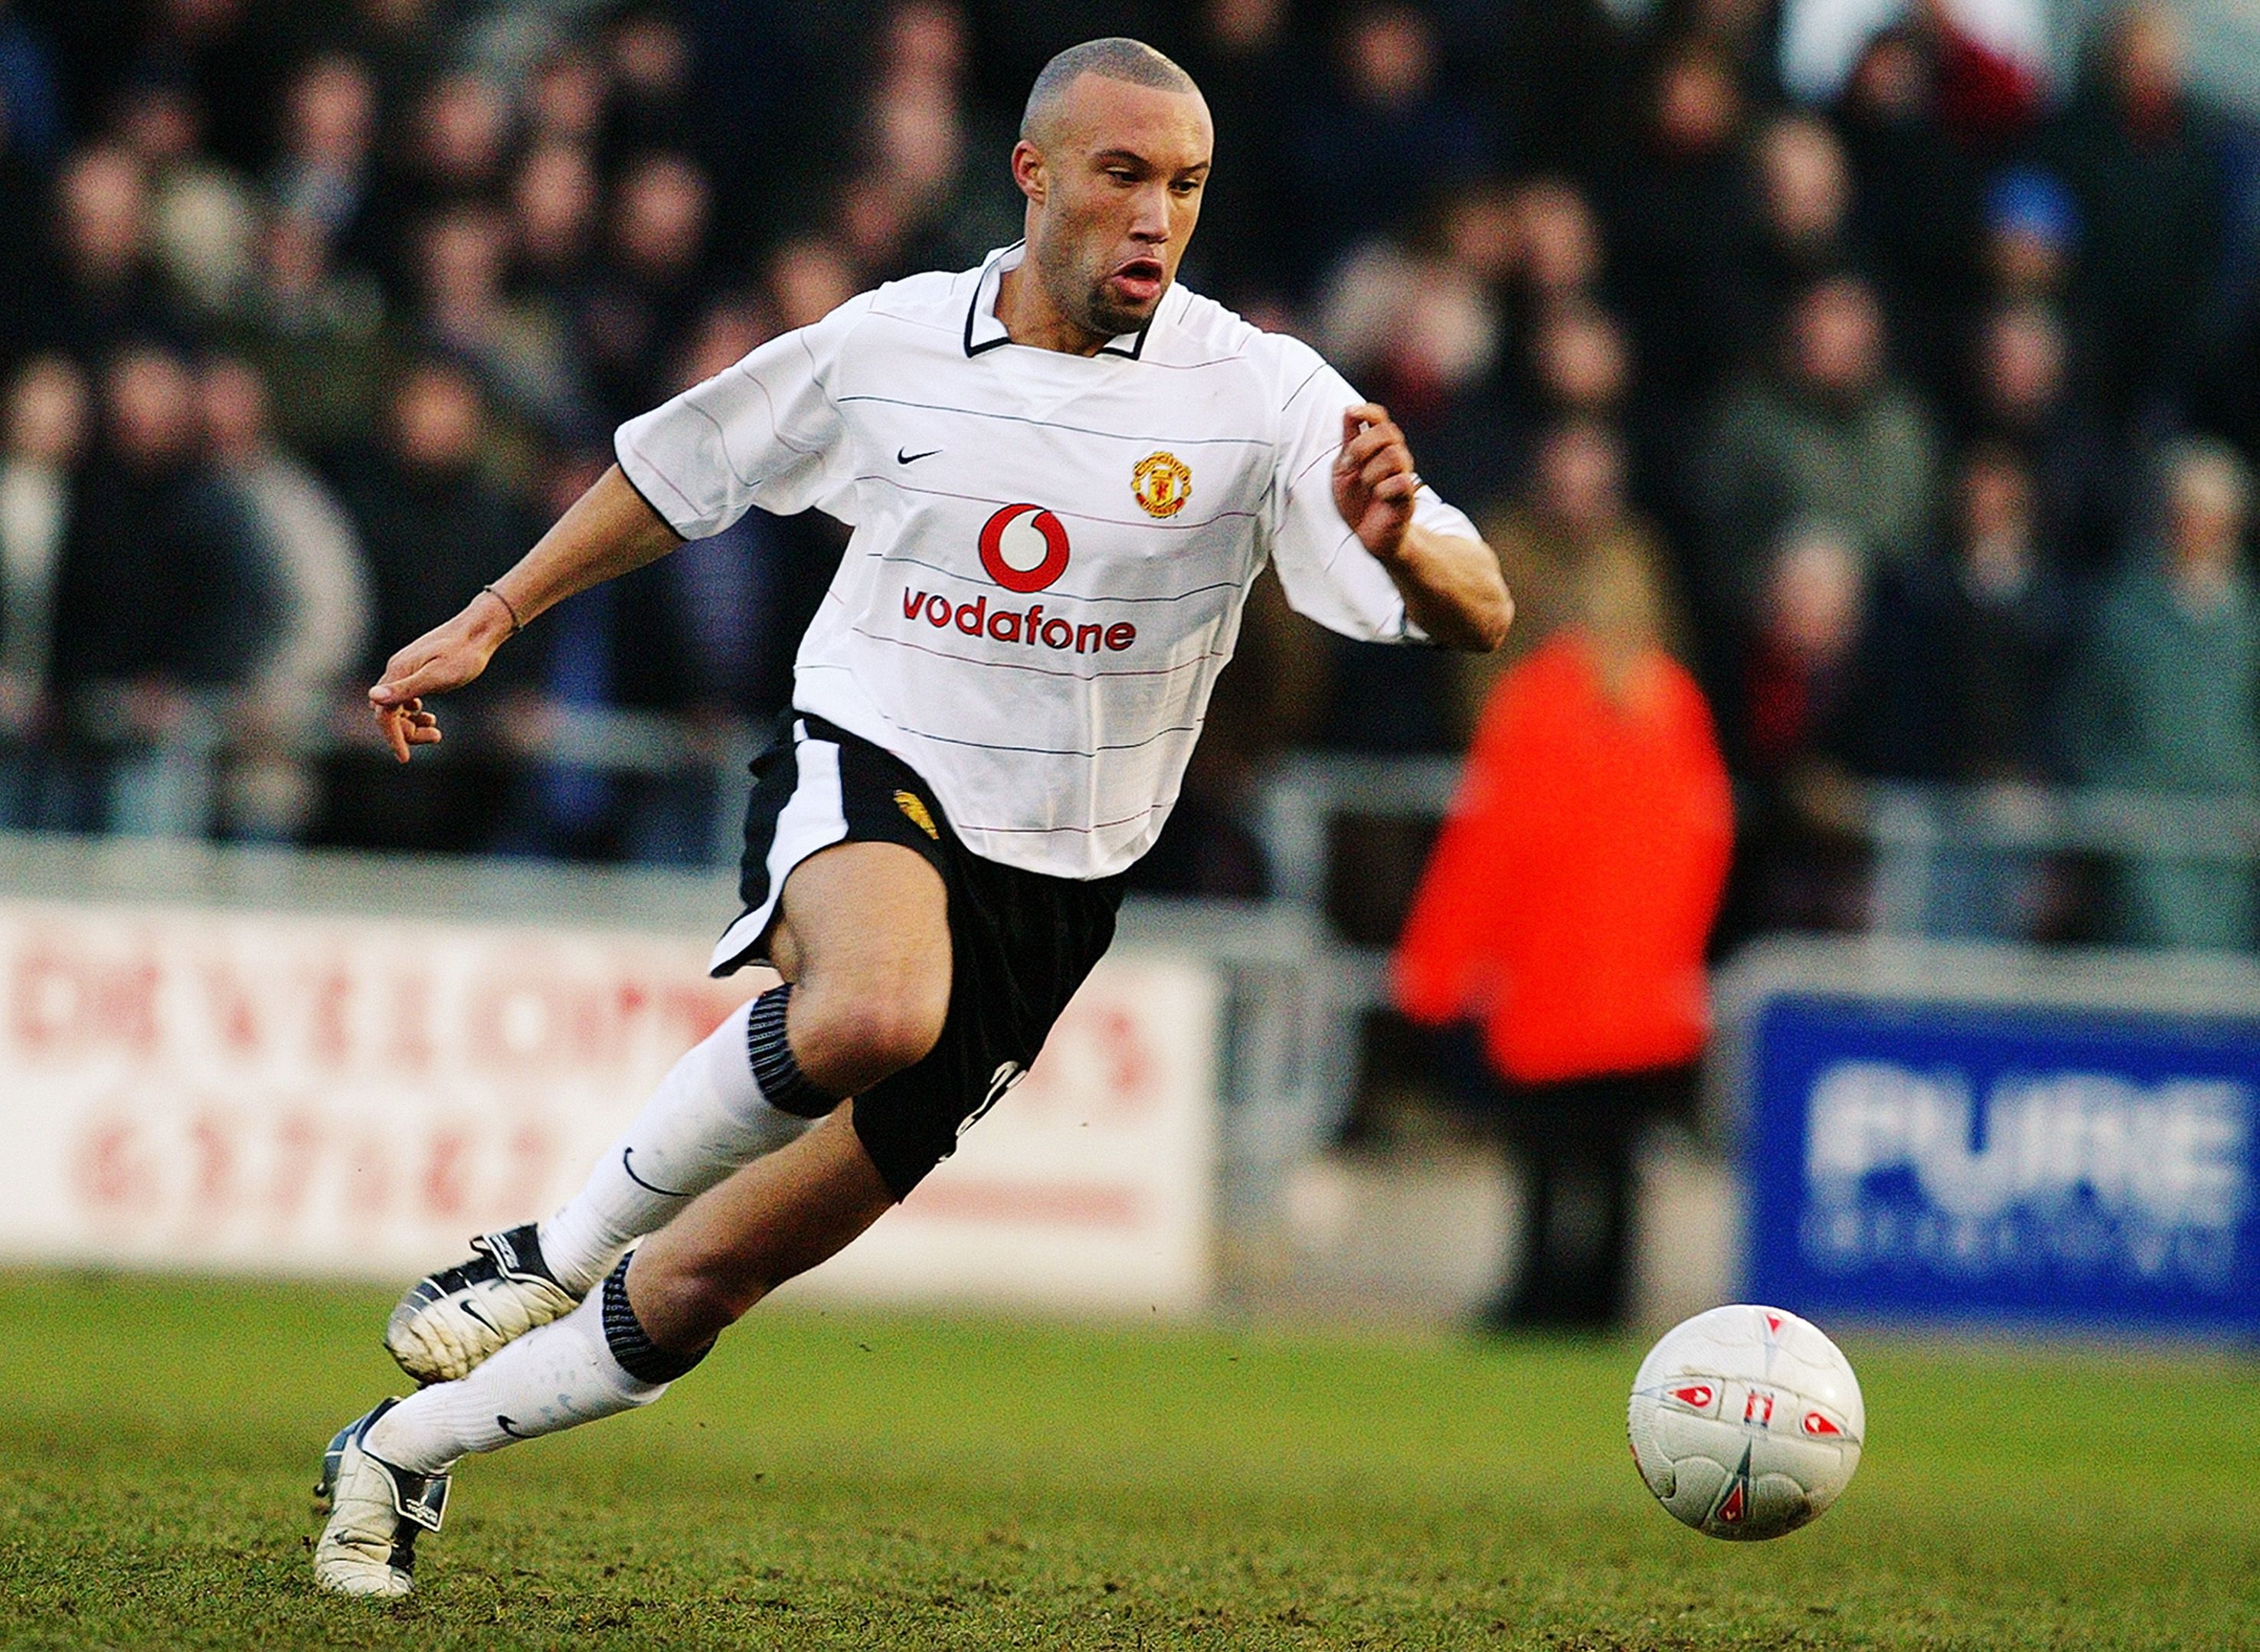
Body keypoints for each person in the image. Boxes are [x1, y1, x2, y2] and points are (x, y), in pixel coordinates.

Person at [311, 37, 1510, 1598]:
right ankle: (544, 1249)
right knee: (875, 1006)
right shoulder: (893, 342)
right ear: (1032, 175)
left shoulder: (1261, 392)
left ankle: (400, 1448)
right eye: (1123, 175)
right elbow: (683, 466)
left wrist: (1399, 543)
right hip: (876, 752)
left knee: (710, 1276)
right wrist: (494, 613)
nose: (1157, 216)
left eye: (1186, 185)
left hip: (1058, 880)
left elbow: (1479, 607)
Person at [1394, 535, 1729, 1330]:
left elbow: (1489, 848)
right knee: (1617, 1163)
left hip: (1549, 981)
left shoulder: (1538, 701)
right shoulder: (1672, 705)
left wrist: (1435, 971)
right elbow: (1704, 848)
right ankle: (1607, 1301)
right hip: (1640, 990)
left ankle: (1538, 1296)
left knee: (1543, 1160)